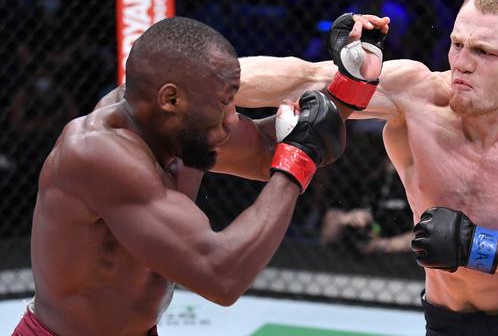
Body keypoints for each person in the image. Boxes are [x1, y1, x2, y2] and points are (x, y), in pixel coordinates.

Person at [234, 0, 498, 335]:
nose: (462, 63)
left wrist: (480, 248)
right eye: (457, 44)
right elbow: (302, 78)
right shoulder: (416, 97)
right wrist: (201, 77)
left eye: (484, 52)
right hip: (442, 323)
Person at [11, 17, 350, 335]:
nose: (233, 118)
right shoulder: (97, 154)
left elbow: (271, 148)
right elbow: (221, 276)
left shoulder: (179, 127)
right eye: (225, 102)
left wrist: (351, 83)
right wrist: (297, 159)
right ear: (170, 98)